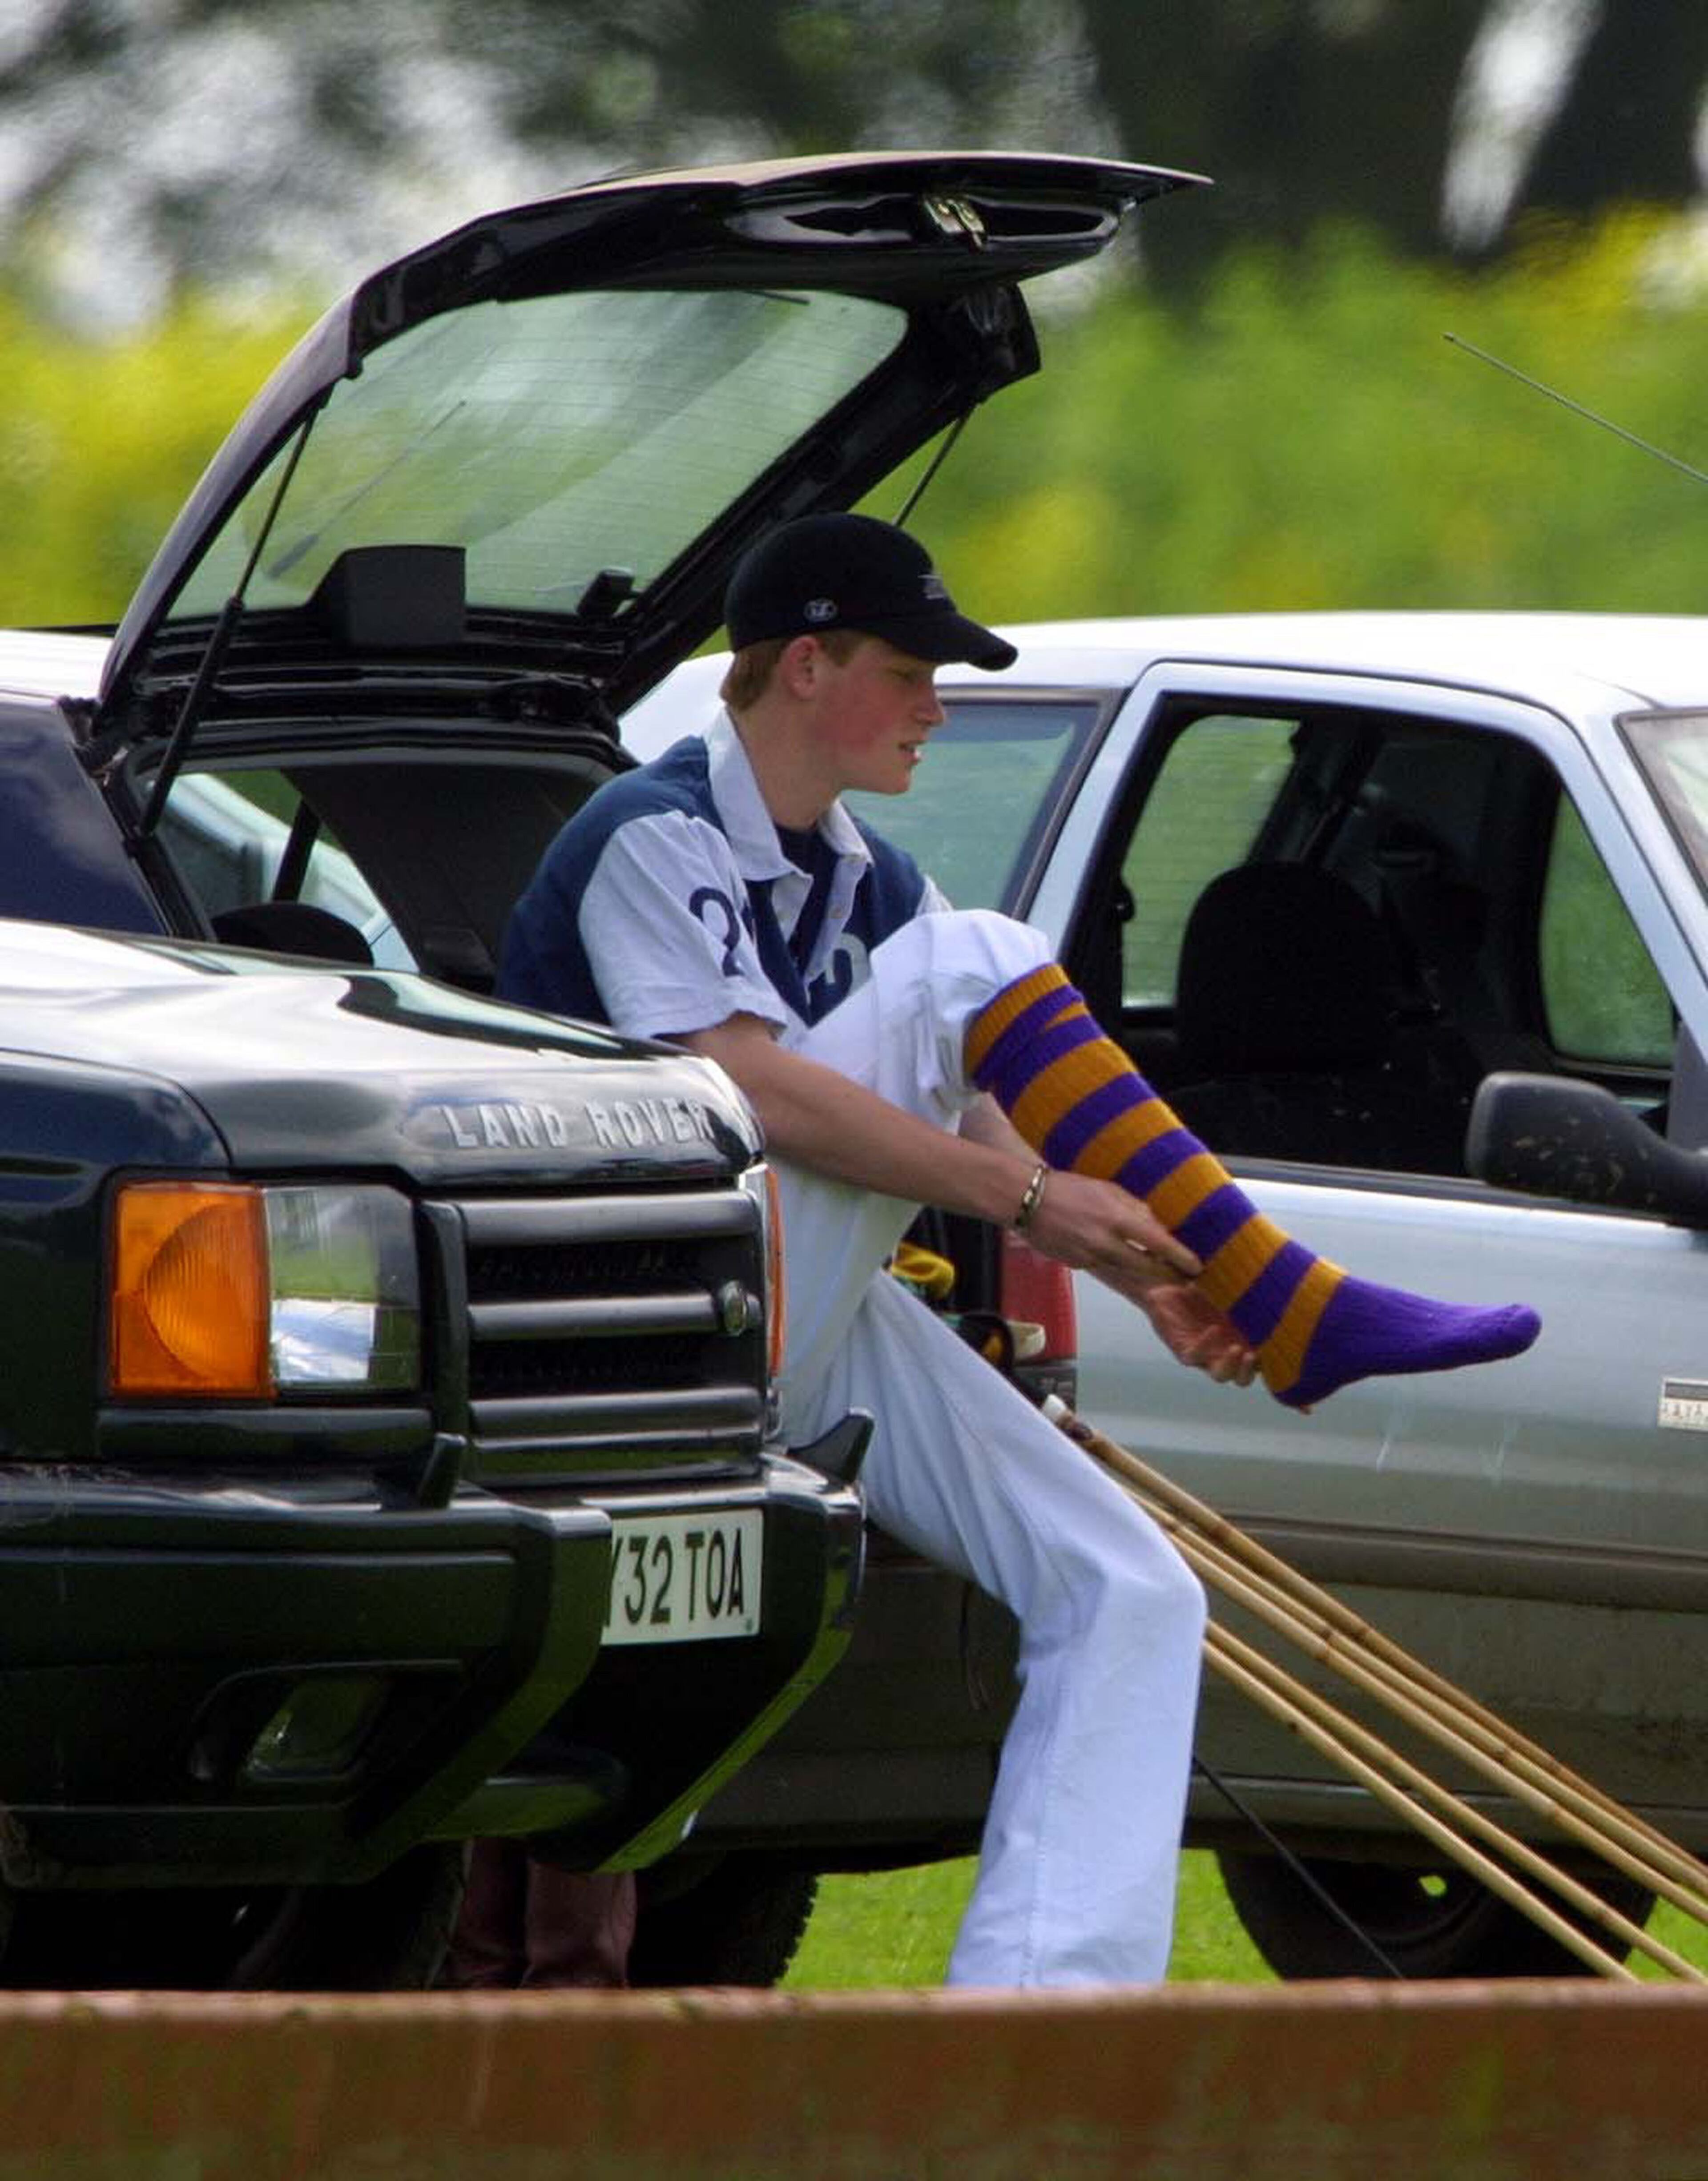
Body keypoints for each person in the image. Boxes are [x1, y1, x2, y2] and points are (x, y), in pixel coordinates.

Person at [490, 512, 1540, 1987]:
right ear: (807, 664)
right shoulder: (648, 835)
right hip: (646, 1340)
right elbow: (754, 1091)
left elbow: (984, 1099)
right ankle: (1292, 1302)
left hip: (792, 1311)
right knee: (977, 954)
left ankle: (1051, 2014)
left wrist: (1143, 1269)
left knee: (1130, 1586)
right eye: (913, 670)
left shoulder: (871, 878)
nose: (937, 703)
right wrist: (1036, 1207)